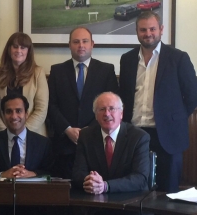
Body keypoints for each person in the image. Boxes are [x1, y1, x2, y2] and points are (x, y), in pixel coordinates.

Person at [119, 11, 197, 192]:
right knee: (135, 190)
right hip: (135, 134)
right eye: (143, 29)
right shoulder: (127, 59)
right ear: (137, 31)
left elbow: (192, 95)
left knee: (168, 192)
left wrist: (175, 118)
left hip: (168, 136)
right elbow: (124, 95)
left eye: (152, 29)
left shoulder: (178, 58)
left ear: (161, 29)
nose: (148, 33)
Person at [47, 27, 118, 179]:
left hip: (96, 142)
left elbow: (112, 108)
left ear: (92, 44)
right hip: (64, 144)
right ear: (69, 45)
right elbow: (51, 106)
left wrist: (88, 131)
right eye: (76, 42)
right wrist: (67, 129)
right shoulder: (57, 71)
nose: (81, 45)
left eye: (85, 41)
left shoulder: (106, 70)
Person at [72, 92, 149, 215]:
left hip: (130, 203)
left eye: (112, 109)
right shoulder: (86, 136)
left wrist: (106, 186)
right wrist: (90, 180)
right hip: (96, 204)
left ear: (121, 113)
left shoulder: (139, 137)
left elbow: (140, 178)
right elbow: (77, 172)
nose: (107, 114)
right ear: (96, 115)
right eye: (102, 109)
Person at [0, 94, 52, 180]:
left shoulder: (43, 143)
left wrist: (33, 174)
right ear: (3, 115)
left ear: (26, 114)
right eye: (9, 111)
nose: (14, 116)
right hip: (1, 191)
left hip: (33, 191)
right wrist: (2, 175)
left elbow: (50, 171)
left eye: (19, 111)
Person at [0, 32, 48, 136]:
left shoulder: (38, 73)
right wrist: (7, 133)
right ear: (9, 49)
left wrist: (22, 133)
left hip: (34, 135)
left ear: (28, 51)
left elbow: (41, 109)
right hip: (4, 136)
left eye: (23, 47)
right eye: (15, 47)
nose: (18, 51)